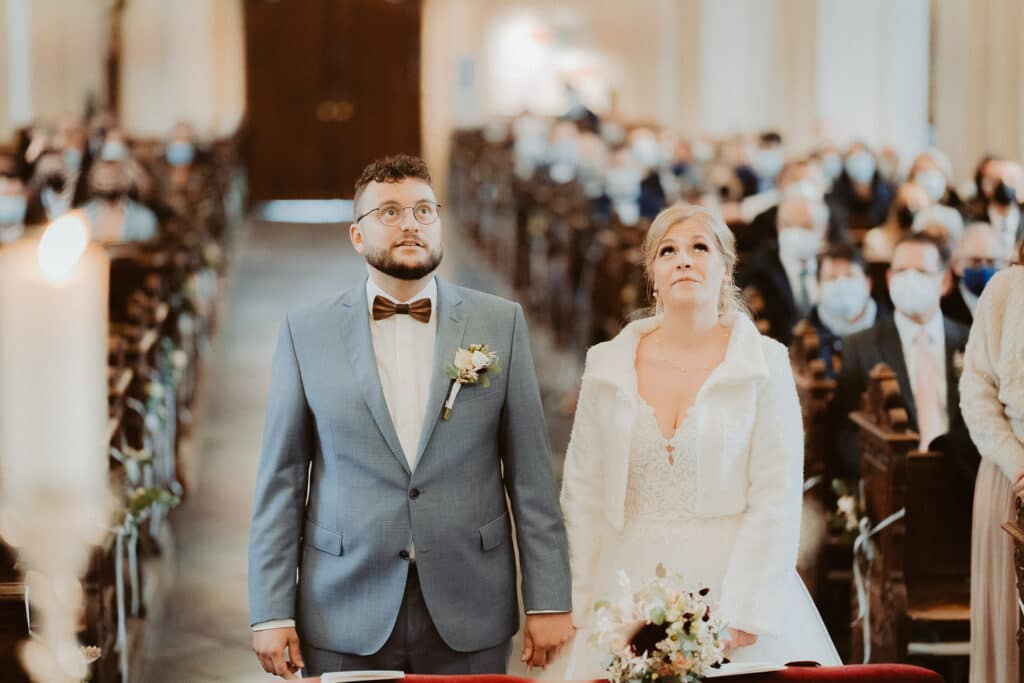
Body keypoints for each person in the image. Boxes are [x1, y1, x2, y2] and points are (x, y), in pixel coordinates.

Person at [248, 155, 574, 679]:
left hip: (471, 602)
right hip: (342, 604)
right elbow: (281, 483)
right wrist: (270, 608)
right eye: (391, 212)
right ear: (358, 235)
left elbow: (533, 478)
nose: (411, 224)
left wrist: (549, 599)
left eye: (424, 210)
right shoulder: (304, 332)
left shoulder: (500, 322)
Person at [559, 204, 840, 678]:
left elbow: (776, 494)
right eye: (668, 251)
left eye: (699, 248)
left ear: (725, 269)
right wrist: (585, 604)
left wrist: (745, 612)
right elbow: (581, 492)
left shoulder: (764, 364)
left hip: (731, 588)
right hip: (626, 585)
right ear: (653, 274)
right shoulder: (607, 366)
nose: (683, 260)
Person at [830, 234, 971, 480]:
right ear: (889, 278)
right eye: (902, 271)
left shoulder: (970, 341)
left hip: (959, 478)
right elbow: (843, 435)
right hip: (893, 482)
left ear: (945, 281)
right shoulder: (860, 346)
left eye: (921, 271)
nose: (910, 280)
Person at [960, 242, 1024, 683]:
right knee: (1010, 636)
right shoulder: (1004, 289)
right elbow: (976, 393)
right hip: (1012, 478)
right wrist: (1018, 464)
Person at [739, 196, 829, 345]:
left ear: (823, 230)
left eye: (806, 226)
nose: (797, 234)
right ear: (778, 226)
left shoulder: (832, 265)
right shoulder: (759, 268)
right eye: (789, 226)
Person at [808, 243, 882, 379]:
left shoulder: (890, 327)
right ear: (818, 287)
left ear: (868, 284)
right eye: (832, 277)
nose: (841, 285)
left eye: (849, 276)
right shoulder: (806, 338)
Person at [941, 222, 1010, 325]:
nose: (984, 268)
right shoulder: (942, 308)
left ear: (1005, 264)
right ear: (956, 264)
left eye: (991, 261)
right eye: (975, 261)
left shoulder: (1014, 306)